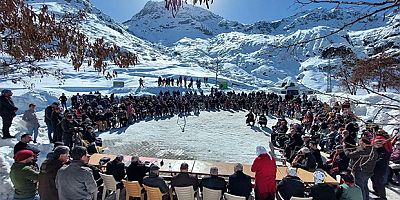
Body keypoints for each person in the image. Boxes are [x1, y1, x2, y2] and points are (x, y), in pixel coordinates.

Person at [371, 136, 391, 200]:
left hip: (380, 170)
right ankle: (377, 192)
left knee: (379, 183)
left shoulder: (384, 152)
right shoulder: (376, 150)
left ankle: (383, 197)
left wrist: (371, 161)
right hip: (374, 169)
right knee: (374, 180)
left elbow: (380, 162)